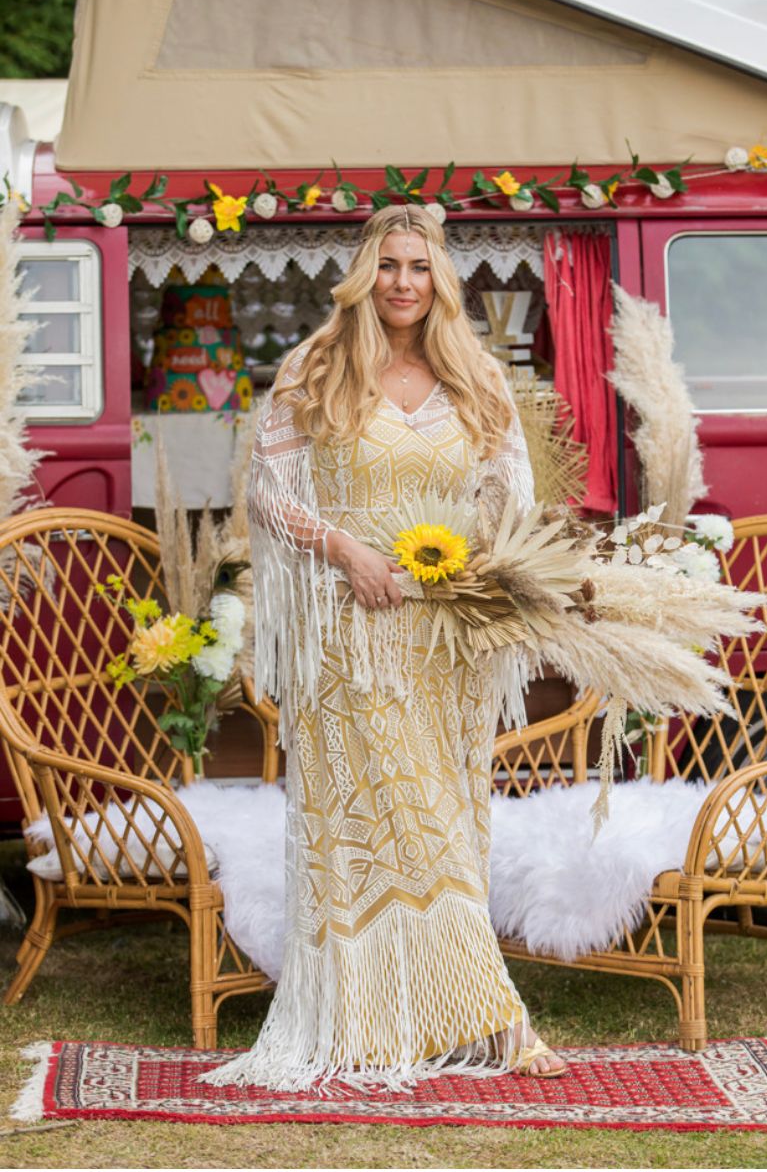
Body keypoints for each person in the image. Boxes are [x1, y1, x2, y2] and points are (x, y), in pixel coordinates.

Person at [200, 204, 567, 1096]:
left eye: (420, 267)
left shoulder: (476, 374)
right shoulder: (316, 367)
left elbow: (507, 491)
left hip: (444, 632)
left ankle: (438, 1014)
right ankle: (473, 1018)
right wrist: (348, 550)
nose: (404, 281)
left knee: (446, 816)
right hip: (350, 630)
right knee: (379, 821)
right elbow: (271, 492)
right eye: (390, 265)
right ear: (366, 275)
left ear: (441, 280)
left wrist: (484, 562)